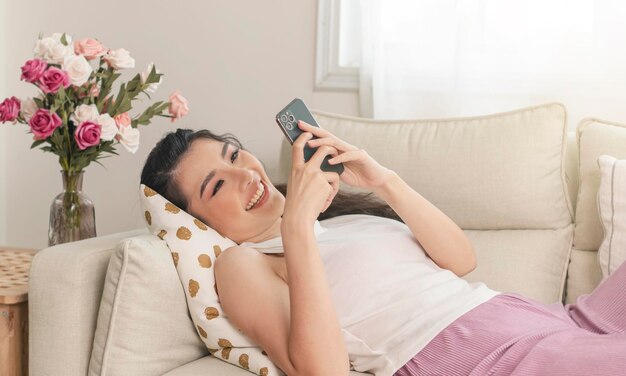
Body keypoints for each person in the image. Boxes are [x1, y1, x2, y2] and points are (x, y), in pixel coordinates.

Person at [141, 121, 626, 376]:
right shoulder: (242, 263)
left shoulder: (345, 216)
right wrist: (296, 227)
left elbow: (462, 260)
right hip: (482, 357)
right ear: (195, 220)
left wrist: (383, 179)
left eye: (233, 155)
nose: (246, 174)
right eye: (215, 185)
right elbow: (323, 372)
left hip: (546, 320)